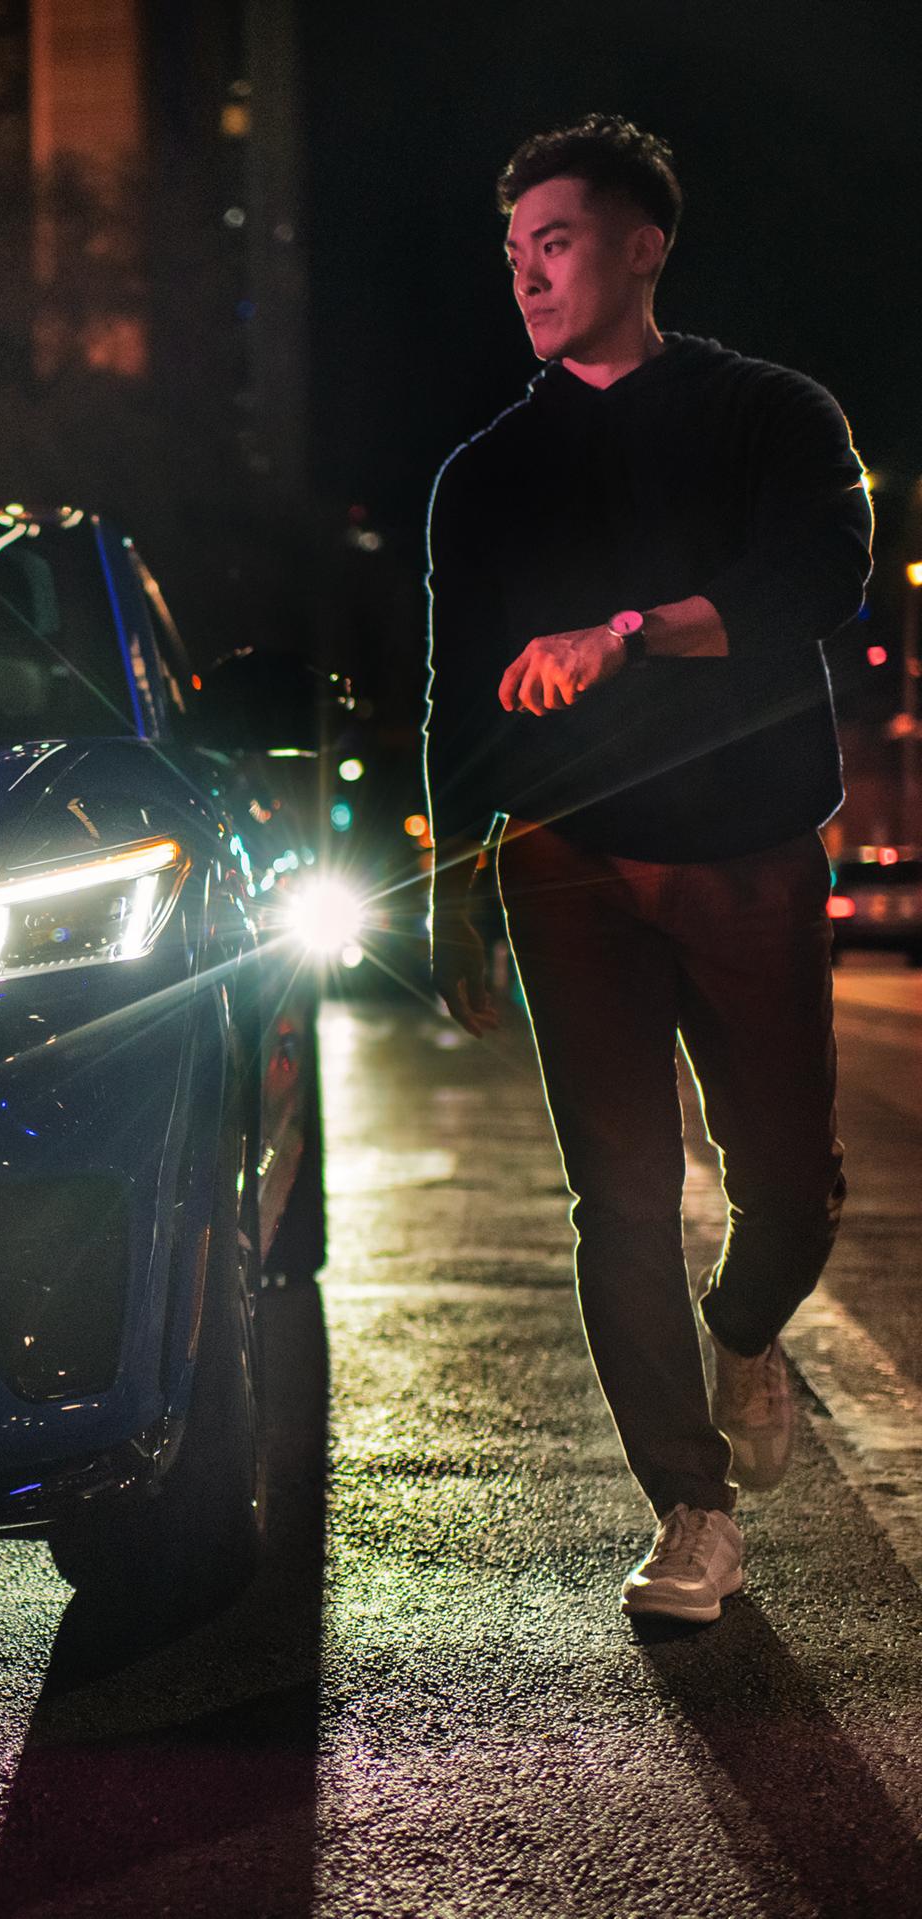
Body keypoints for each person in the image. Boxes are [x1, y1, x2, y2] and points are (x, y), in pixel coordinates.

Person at [423, 115, 872, 1625]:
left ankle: (750, 1330)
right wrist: (453, 896)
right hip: (570, 863)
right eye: (512, 253)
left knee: (791, 1193)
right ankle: (689, 1508)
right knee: (616, 1199)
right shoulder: (485, 476)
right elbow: (453, 695)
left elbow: (820, 586)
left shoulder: (771, 414)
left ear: (640, 246)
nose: (529, 275)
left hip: (747, 850)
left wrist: (616, 636)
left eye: (554, 241)